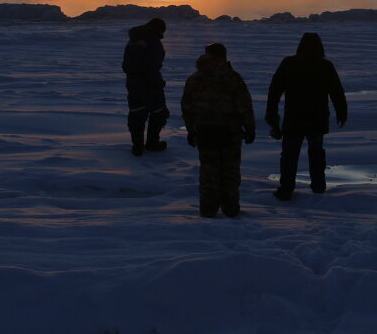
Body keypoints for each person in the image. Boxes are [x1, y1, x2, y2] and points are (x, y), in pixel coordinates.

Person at [266, 32, 347, 200]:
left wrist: (271, 112)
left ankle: (287, 188)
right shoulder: (325, 66)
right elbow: (336, 92)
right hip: (317, 118)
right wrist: (341, 111)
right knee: (316, 152)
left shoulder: (289, 63)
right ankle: (318, 186)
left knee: (290, 154)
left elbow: (275, 89)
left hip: (294, 117)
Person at [180, 42, 255, 218]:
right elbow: (244, 105)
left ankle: (208, 210)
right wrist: (249, 128)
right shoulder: (232, 78)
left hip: (205, 133)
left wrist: (191, 130)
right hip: (230, 133)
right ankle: (230, 209)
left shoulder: (195, 79)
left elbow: (187, 108)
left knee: (208, 173)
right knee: (230, 173)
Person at [122, 17, 169, 156]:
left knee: (136, 113)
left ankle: (137, 146)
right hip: (151, 84)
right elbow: (155, 64)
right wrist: (155, 81)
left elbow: (126, 65)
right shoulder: (153, 41)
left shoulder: (133, 40)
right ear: (158, 29)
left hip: (133, 84)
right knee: (159, 112)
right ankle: (152, 143)